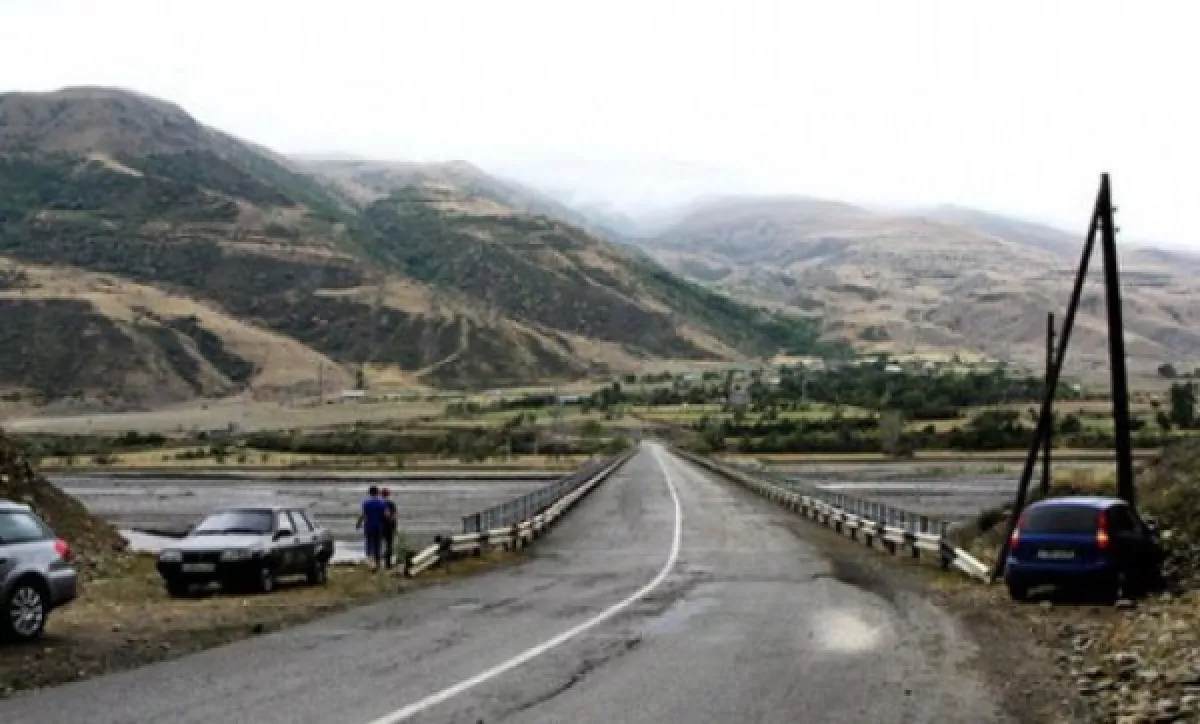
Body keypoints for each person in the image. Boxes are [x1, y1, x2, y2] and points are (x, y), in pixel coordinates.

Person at [355, 485, 387, 571]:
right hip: (379, 526)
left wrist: (358, 523)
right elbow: (385, 515)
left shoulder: (366, 503)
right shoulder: (382, 503)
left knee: (369, 544)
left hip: (369, 526)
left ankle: (371, 563)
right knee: (378, 545)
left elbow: (363, 515)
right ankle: (378, 563)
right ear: (377, 492)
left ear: (369, 493)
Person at [380, 487, 398, 569]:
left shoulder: (379, 503)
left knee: (379, 544)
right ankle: (388, 563)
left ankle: (378, 562)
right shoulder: (390, 503)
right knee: (389, 544)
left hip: (380, 526)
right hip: (388, 526)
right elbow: (392, 516)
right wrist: (393, 526)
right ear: (388, 494)